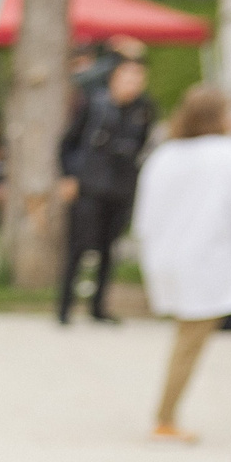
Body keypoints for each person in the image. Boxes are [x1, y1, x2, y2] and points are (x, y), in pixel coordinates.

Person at [131, 85, 231, 444]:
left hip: (172, 260)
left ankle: (166, 415)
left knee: (188, 339)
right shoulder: (226, 154)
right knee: (189, 344)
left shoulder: (165, 155)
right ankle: (165, 417)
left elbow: (144, 216)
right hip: (210, 262)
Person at [57, 56, 154, 326]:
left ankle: (98, 306)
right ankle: (64, 307)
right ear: (114, 78)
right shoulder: (93, 105)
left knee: (109, 249)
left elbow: (142, 147)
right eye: (127, 77)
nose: (132, 84)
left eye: (137, 78)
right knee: (78, 246)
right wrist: (68, 177)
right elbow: (68, 143)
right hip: (89, 185)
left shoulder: (144, 109)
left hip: (121, 187)